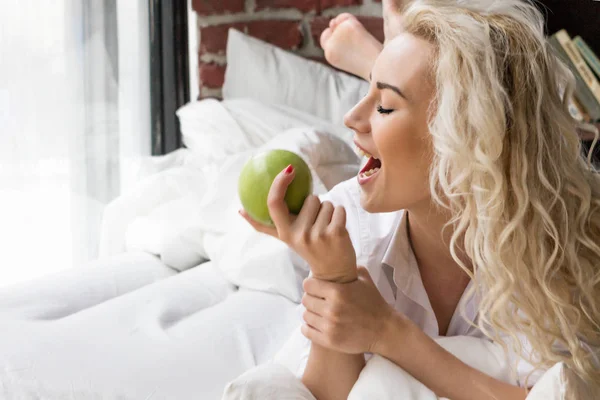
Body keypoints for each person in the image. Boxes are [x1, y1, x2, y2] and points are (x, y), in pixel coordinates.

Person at [237, 0, 600, 398]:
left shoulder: (554, 248)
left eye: (384, 105)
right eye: (369, 89)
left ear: (464, 139)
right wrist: (332, 277)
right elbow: (324, 396)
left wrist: (389, 333)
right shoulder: (351, 221)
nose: (352, 119)